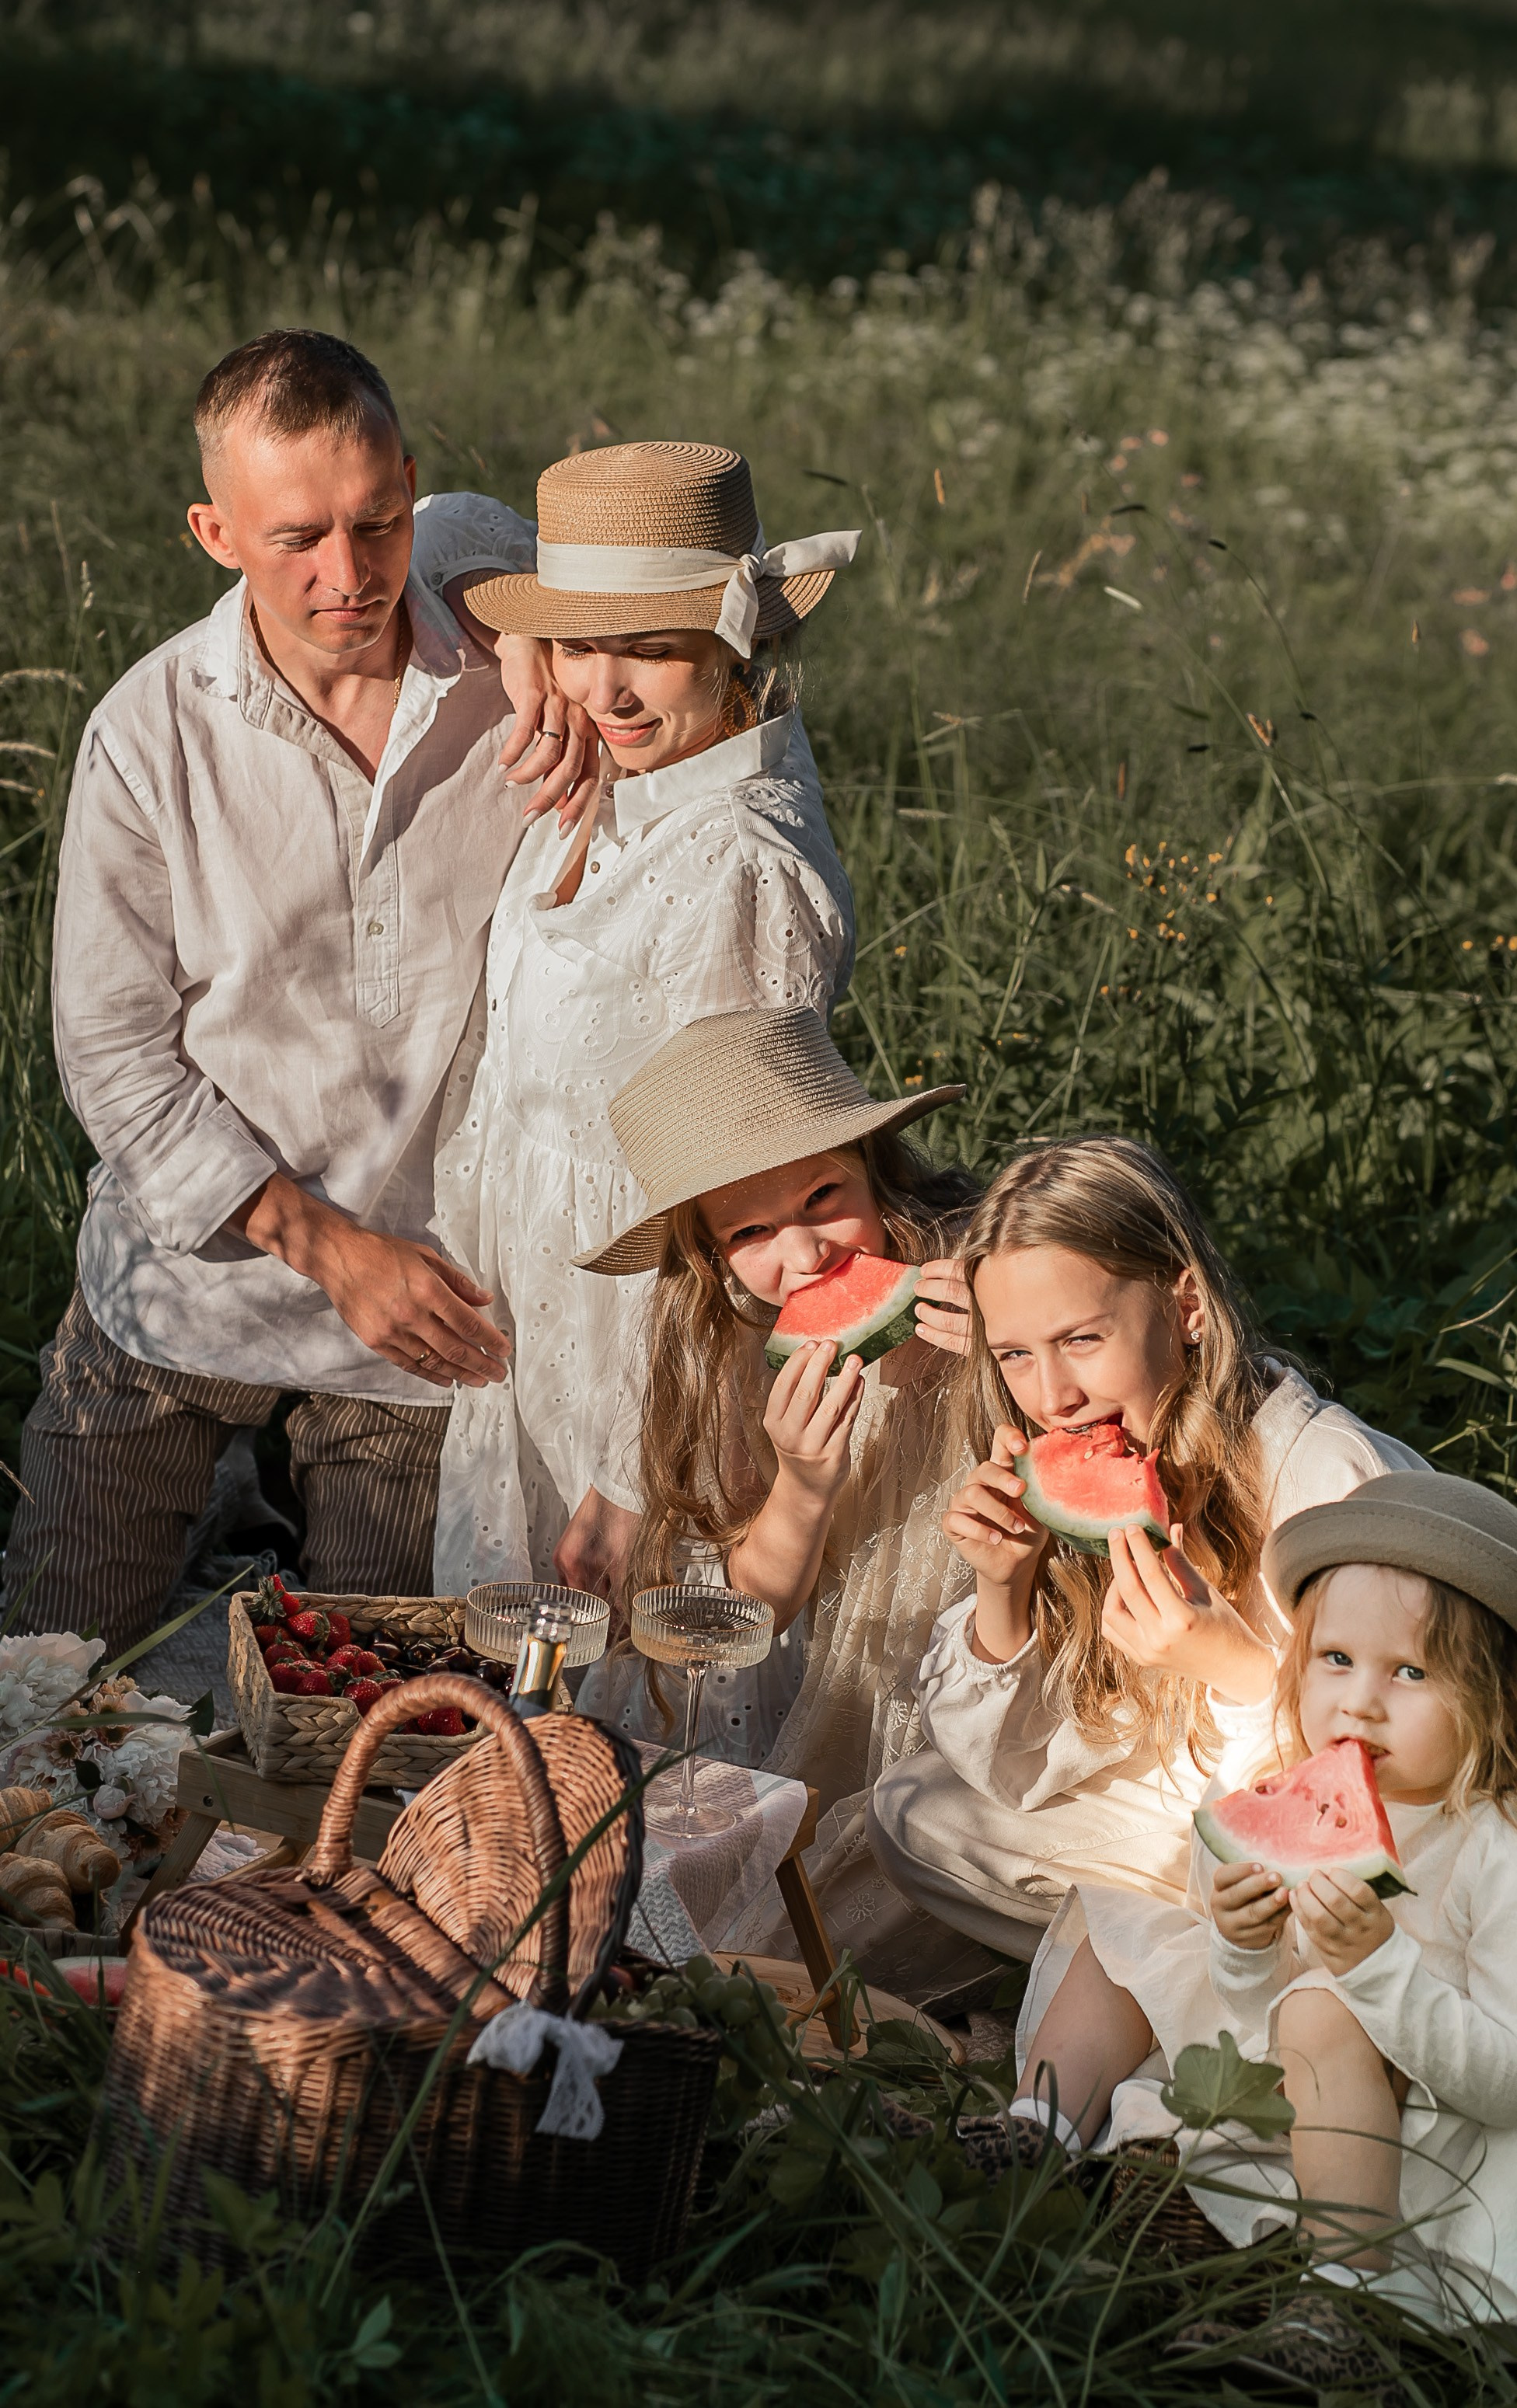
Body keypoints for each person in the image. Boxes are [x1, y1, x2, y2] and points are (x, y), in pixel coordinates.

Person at [3, 328, 580, 1651]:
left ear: (409, 491)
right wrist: (333, 1249)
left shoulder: (507, 679)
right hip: (181, 1281)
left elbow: (480, 523)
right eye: (296, 537)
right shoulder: (148, 732)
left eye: (378, 523)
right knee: (45, 1677)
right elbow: (115, 1059)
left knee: (366, 1724)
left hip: (421, 1315)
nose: (347, 574)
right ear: (214, 531)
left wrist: (520, 613)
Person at [1018, 1472, 1517, 2376]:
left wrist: (1372, 1970)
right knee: (1121, 1904)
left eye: (1409, 1672)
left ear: (1499, 1700)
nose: (1358, 1703)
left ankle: (1343, 2303)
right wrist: (1242, 1946)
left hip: (1475, 2077)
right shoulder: (1277, 1791)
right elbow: (1259, 2014)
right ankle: (1033, 2133)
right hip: (1317, 2049)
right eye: (1334, 1659)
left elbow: (1514, 2084)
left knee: (1323, 2011)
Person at [430, 443, 861, 1606]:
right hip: (537, 1324)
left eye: (653, 651)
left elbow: (743, 1198)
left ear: (739, 646)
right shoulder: (625, 771)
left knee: (632, 1719)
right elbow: (437, 526)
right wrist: (531, 649)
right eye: (582, 643)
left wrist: (636, 1473)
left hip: (644, 1363)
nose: (606, 692)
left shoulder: (735, 862)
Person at [866, 1136, 1428, 1965]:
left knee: (1296, 1911)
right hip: (1192, 1795)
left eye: (1081, 1340)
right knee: (912, 1810)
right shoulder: (1111, 1450)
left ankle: (1174, 1974)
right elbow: (1025, 1770)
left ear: (1187, 1307)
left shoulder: (1329, 1480)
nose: (1051, 1398)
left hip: (1370, 1833)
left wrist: (1230, 1667)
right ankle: (1180, 1959)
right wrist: (1002, 1592)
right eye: (1014, 1355)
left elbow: (1407, 1768)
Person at [571, 1005, 991, 1998]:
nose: (804, 1260)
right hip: (866, 1698)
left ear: (878, 1171)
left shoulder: (993, 1269)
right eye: (751, 1232)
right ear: (711, 1259)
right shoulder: (727, 1348)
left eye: (823, 1197)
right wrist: (804, 1486)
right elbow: (752, 1614)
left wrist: (1021, 1350)